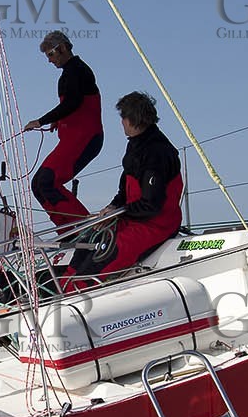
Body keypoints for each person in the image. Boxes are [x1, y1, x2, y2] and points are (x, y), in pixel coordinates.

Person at [61, 91, 183, 290]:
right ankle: (63, 286)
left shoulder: (157, 153)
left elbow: (151, 205)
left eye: (123, 118)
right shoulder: (135, 146)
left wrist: (120, 212)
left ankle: (76, 291)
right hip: (133, 218)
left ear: (133, 120)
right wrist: (113, 207)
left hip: (156, 224)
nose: (122, 123)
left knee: (109, 253)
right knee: (88, 238)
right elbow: (124, 191)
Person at [23, 31, 103, 233]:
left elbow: (73, 102)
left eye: (50, 54)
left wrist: (42, 121)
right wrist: (59, 119)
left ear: (63, 48)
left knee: (47, 181)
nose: (50, 61)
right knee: (38, 184)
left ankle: (88, 229)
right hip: (74, 139)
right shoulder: (69, 73)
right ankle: (68, 232)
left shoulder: (77, 70)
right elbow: (73, 104)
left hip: (85, 138)